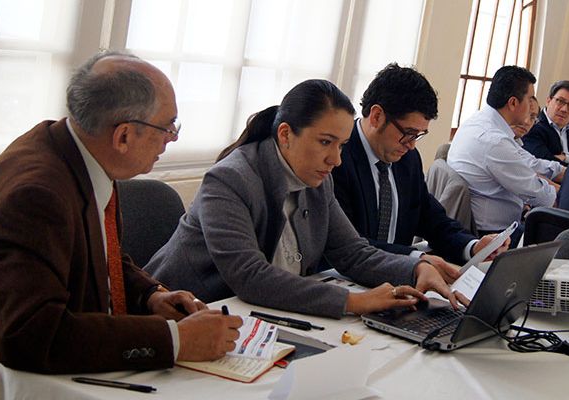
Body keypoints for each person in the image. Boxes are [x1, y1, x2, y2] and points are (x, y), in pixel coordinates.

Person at [0, 51, 242, 398]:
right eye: (167, 126)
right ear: (124, 136)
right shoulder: (36, 196)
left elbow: (96, 250)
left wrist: (149, 295)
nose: (171, 138)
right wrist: (175, 340)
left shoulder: (73, 149)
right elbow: (32, 335)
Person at [144, 79, 458, 320]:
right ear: (285, 134)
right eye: (325, 142)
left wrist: (414, 269)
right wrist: (353, 302)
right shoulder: (230, 179)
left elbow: (353, 253)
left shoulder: (317, 180)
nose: (336, 159)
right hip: (180, 316)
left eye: (342, 145)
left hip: (256, 317)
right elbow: (250, 276)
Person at [331, 64, 508, 279]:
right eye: (408, 133)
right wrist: (415, 260)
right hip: (347, 279)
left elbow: (431, 218)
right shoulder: (337, 158)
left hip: (398, 283)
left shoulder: (406, 159)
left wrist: (473, 246)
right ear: (377, 116)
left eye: (419, 135)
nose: (412, 145)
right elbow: (348, 243)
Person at [448, 66, 561, 245]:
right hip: (494, 235)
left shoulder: (478, 122)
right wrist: (565, 193)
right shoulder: (494, 141)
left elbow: (525, 163)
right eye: (530, 97)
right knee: (567, 238)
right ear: (513, 103)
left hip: (480, 225)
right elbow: (540, 196)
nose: (532, 103)